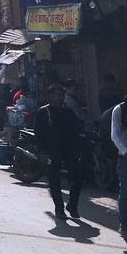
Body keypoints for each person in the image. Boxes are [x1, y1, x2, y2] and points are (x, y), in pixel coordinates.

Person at [34, 83, 84, 220]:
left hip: (68, 150)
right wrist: (42, 151)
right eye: (58, 95)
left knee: (78, 177)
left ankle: (72, 205)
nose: (60, 98)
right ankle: (59, 208)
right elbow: (38, 134)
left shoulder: (68, 112)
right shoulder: (43, 112)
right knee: (54, 181)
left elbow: (76, 129)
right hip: (52, 150)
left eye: (62, 95)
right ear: (50, 96)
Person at [110, 86, 127, 236]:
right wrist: (126, 152)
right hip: (125, 158)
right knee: (125, 191)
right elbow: (114, 135)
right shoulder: (120, 110)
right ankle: (124, 224)